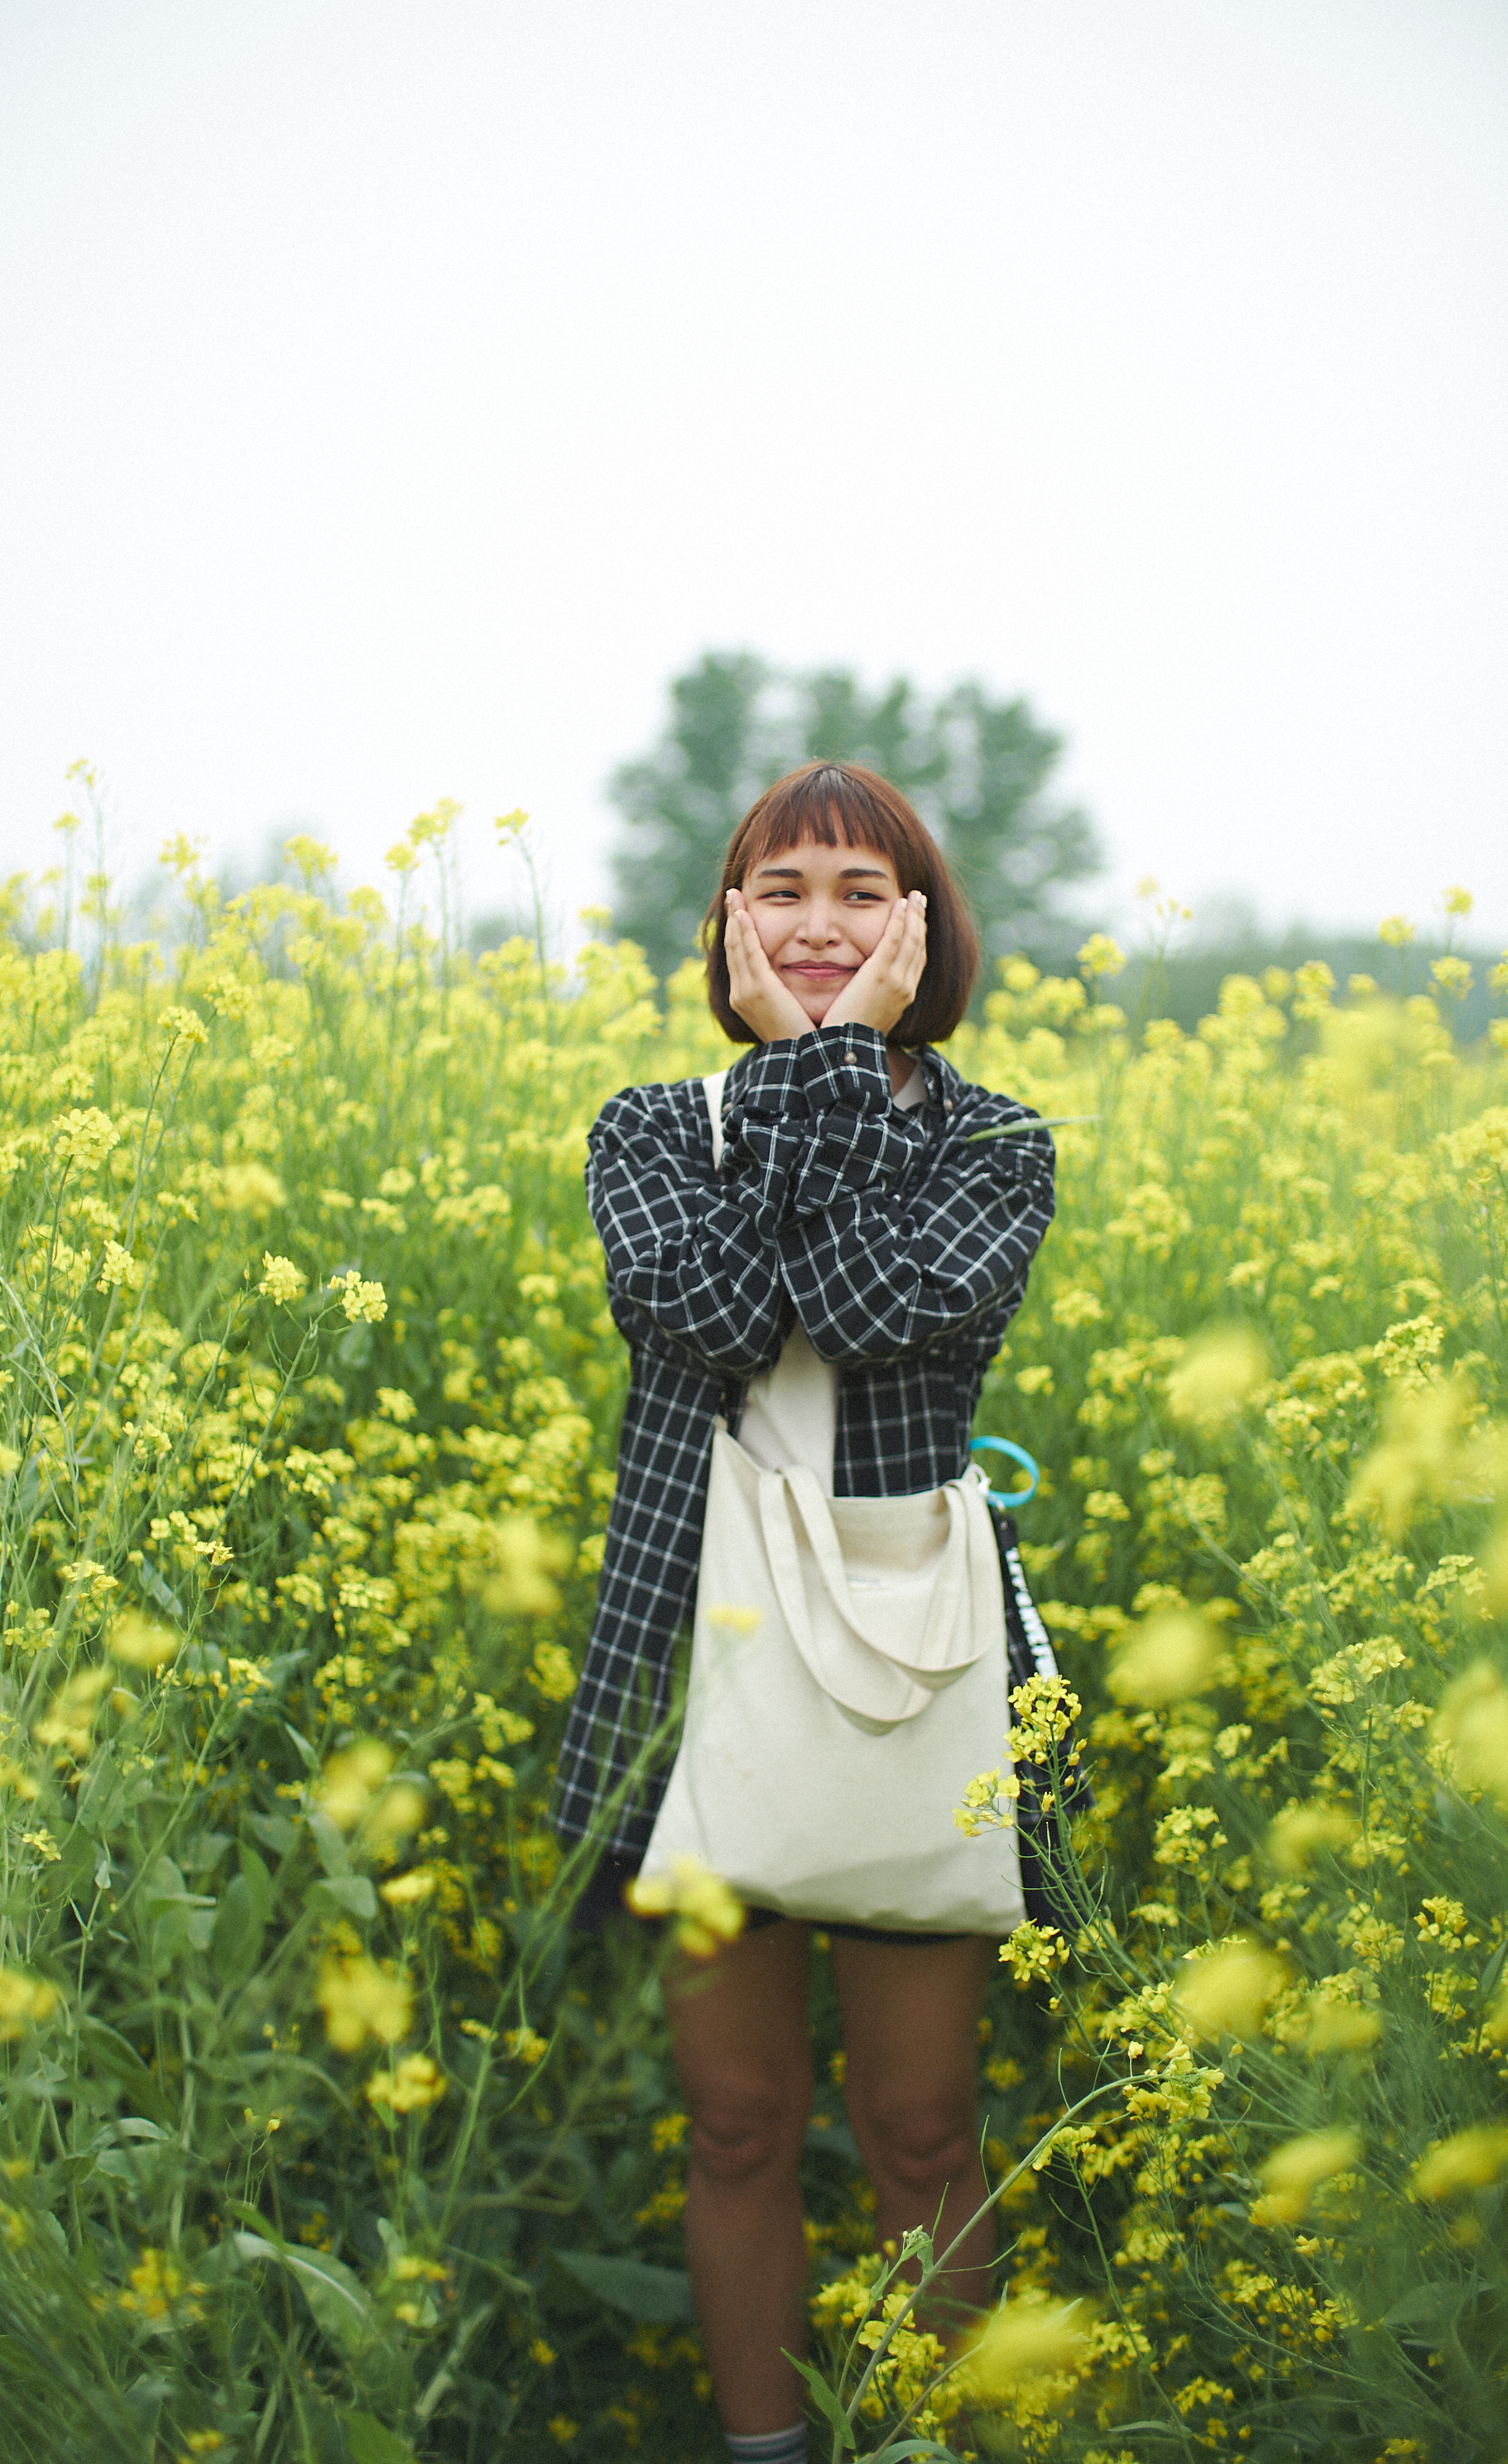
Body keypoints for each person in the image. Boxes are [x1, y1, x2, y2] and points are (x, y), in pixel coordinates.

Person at [551, 760, 1057, 2462]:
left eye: (860, 888)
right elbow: (698, 1307)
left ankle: (936, 2443)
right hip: (699, 1675)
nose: (819, 922)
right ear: (730, 919)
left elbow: (868, 1315)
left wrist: (815, 1070)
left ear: (921, 925)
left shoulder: (994, 1142)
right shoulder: (645, 1127)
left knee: (920, 2130)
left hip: (902, 1675)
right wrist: (812, 1079)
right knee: (741, 2125)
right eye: (783, 889)